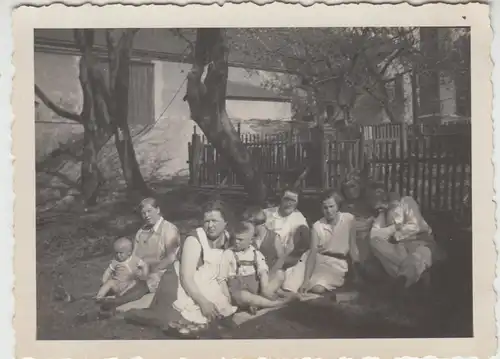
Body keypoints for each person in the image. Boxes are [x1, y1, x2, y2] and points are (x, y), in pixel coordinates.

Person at [369, 187, 445, 292]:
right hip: (400, 248)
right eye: (374, 196)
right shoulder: (383, 213)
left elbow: (416, 226)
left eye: (381, 193)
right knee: (375, 242)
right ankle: (413, 278)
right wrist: (394, 227)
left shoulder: (407, 201)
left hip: (420, 241)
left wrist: (395, 233)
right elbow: (374, 235)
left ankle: (402, 282)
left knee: (417, 256)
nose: (379, 197)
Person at [282, 190, 356, 294]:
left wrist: (357, 268)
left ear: (338, 206)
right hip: (316, 258)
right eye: (325, 208)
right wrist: (306, 280)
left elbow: (353, 246)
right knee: (290, 286)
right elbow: (312, 254)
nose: (329, 211)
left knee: (317, 288)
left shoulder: (348, 219)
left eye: (331, 206)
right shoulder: (318, 226)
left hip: (336, 263)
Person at [218, 221, 295, 314]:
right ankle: (274, 303)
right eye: (235, 239)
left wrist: (265, 288)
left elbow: (263, 271)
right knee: (244, 296)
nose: (236, 242)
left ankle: (257, 302)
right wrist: (227, 298)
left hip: (257, 288)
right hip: (239, 290)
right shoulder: (228, 254)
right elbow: (222, 278)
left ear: (251, 240)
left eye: (240, 240)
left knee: (280, 274)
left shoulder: (255, 252)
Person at [241, 207, 287, 296]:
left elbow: (281, 258)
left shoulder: (273, 237)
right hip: (256, 274)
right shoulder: (250, 239)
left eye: (250, 226)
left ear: (260, 224)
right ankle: (268, 294)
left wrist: (271, 273)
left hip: (271, 272)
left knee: (280, 274)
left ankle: (263, 295)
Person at [264, 187, 310, 269]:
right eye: (287, 199)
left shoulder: (300, 219)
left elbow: (304, 247)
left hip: (288, 261)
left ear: (297, 202)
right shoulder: (267, 214)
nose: (289, 203)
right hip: (265, 258)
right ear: (281, 199)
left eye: (293, 200)